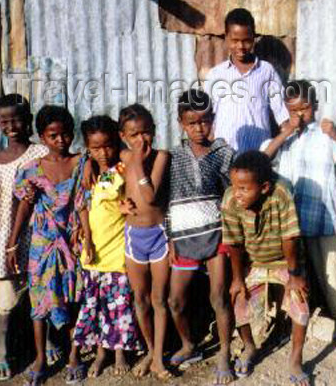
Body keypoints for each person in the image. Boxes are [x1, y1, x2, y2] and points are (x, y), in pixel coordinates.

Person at [261, 80, 336, 360]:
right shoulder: (282, 138)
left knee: (335, 277)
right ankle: (289, 331)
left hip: (323, 221)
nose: (299, 115)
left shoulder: (327, 135)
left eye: (304, 109)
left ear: (314, 107)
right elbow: (260, 162)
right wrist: (285, 134)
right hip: (288, 228)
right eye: (293, 110)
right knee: (295, 281)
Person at [6, 105, 89, 385]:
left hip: (75, 240)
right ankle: (41, 358)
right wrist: (12, 244)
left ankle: (75, 355)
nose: (61, 140)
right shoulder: (31, 170)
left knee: (75, 296)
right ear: (42, 137)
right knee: (39, 301)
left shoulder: (82, 163)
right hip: (43, 244)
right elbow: (23, 207)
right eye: (53, 135)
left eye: (65, 134)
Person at [0, 94, 48, 381]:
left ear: (28, 118)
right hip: (4, 236)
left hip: (36, 231)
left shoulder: (40, 154)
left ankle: (47, 342)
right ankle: (2, 349)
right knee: (5, 295)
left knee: (39, 287)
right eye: (4, 121)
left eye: (17, 118)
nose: (11, 125)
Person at [222, 151, 310, 386]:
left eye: (244, 188)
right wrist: (238, 278)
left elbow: (289, 236)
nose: (236, 193)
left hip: (284, 260)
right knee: (238, 302)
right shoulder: (231, 199)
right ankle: (249, 346)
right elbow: (234, 243)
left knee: (301, 305)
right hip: (254, 261)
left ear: (264, 187)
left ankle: (295, 359)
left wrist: (294, 275)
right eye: (234, 186)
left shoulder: (280, 193)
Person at [166, 90, 235, 385]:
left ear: (213, 120)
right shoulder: (171, 157)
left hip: (216, 233)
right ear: (181, 122)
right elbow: (166, 199)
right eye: (192, 122)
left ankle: (224, 353)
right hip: (182, 236)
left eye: (205, 121)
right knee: (175, 301)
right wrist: (169, 238)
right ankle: (189, 344)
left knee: (218, 296)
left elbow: (232, 193)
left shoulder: (224, 154)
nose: (199, 128)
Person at [69, 116, 141, 378]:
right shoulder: (87, 172)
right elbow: (83, 207)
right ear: (87, 147)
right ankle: (100, 353)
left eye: (108, 146)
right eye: (95, 148)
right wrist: (86, 238)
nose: (103, 153)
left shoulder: (121, 169)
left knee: (119, 305)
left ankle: (120, 352)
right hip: (93, 250)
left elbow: (131, 199)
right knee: (95, 304)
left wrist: (125, 208)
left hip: (116, 247)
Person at [117, 104, 171, 379]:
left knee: (159, 298)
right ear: (124, 135)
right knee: (140, 297)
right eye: (134, 135)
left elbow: (149, 197)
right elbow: (113, 189)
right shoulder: (122, 157)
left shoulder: (161, 157)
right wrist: (119, 203)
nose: (141, 140)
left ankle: (159, 358)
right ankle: (150, 350)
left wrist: (137, 163)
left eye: (147, 133)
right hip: (133, 237)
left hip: (159, 235)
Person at [204, 8, 289, 152]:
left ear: (254, 37)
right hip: (225, 153)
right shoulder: (215, 75)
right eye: (235, 40)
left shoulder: (266, 71)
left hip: (259, 152)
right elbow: (207, 117)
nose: (241, 47)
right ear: (226, 37)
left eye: (247, 41)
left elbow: (281, 113)